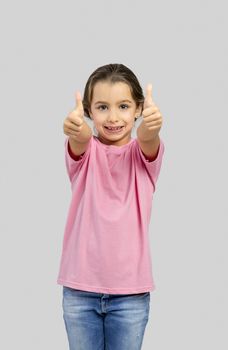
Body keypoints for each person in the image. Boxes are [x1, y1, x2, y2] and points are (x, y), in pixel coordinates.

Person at [57, 63, 165, 350]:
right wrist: (75, 128)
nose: (113, 117)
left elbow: (147, 139)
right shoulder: (85, 153)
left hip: (130, 295)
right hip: (80, 290)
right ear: (89, 111)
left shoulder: (143, 156)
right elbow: (79, 139)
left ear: (139, 108)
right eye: (103, 107)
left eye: (124, 106)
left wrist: (150, 129)